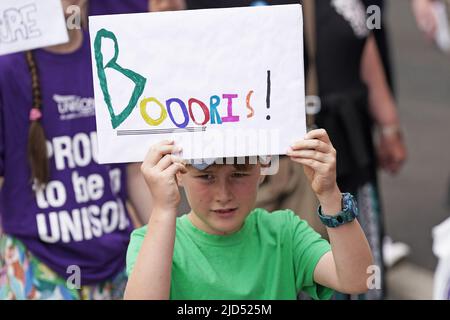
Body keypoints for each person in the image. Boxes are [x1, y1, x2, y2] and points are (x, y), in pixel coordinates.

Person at [0, 0, 151, 299]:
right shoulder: (7, 68)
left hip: (115, 264)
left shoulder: (110, 56)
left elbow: (134, 170)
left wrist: (173, 240)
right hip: (38, 265)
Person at [124, 129, 374, 300]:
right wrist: (163, 207)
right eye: (206, 176)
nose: (223, 194)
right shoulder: (152, 241)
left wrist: (330, 194)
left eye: (239, 174)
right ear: (178, 173)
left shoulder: (284, 233)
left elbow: (360, 279)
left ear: (263, 169)